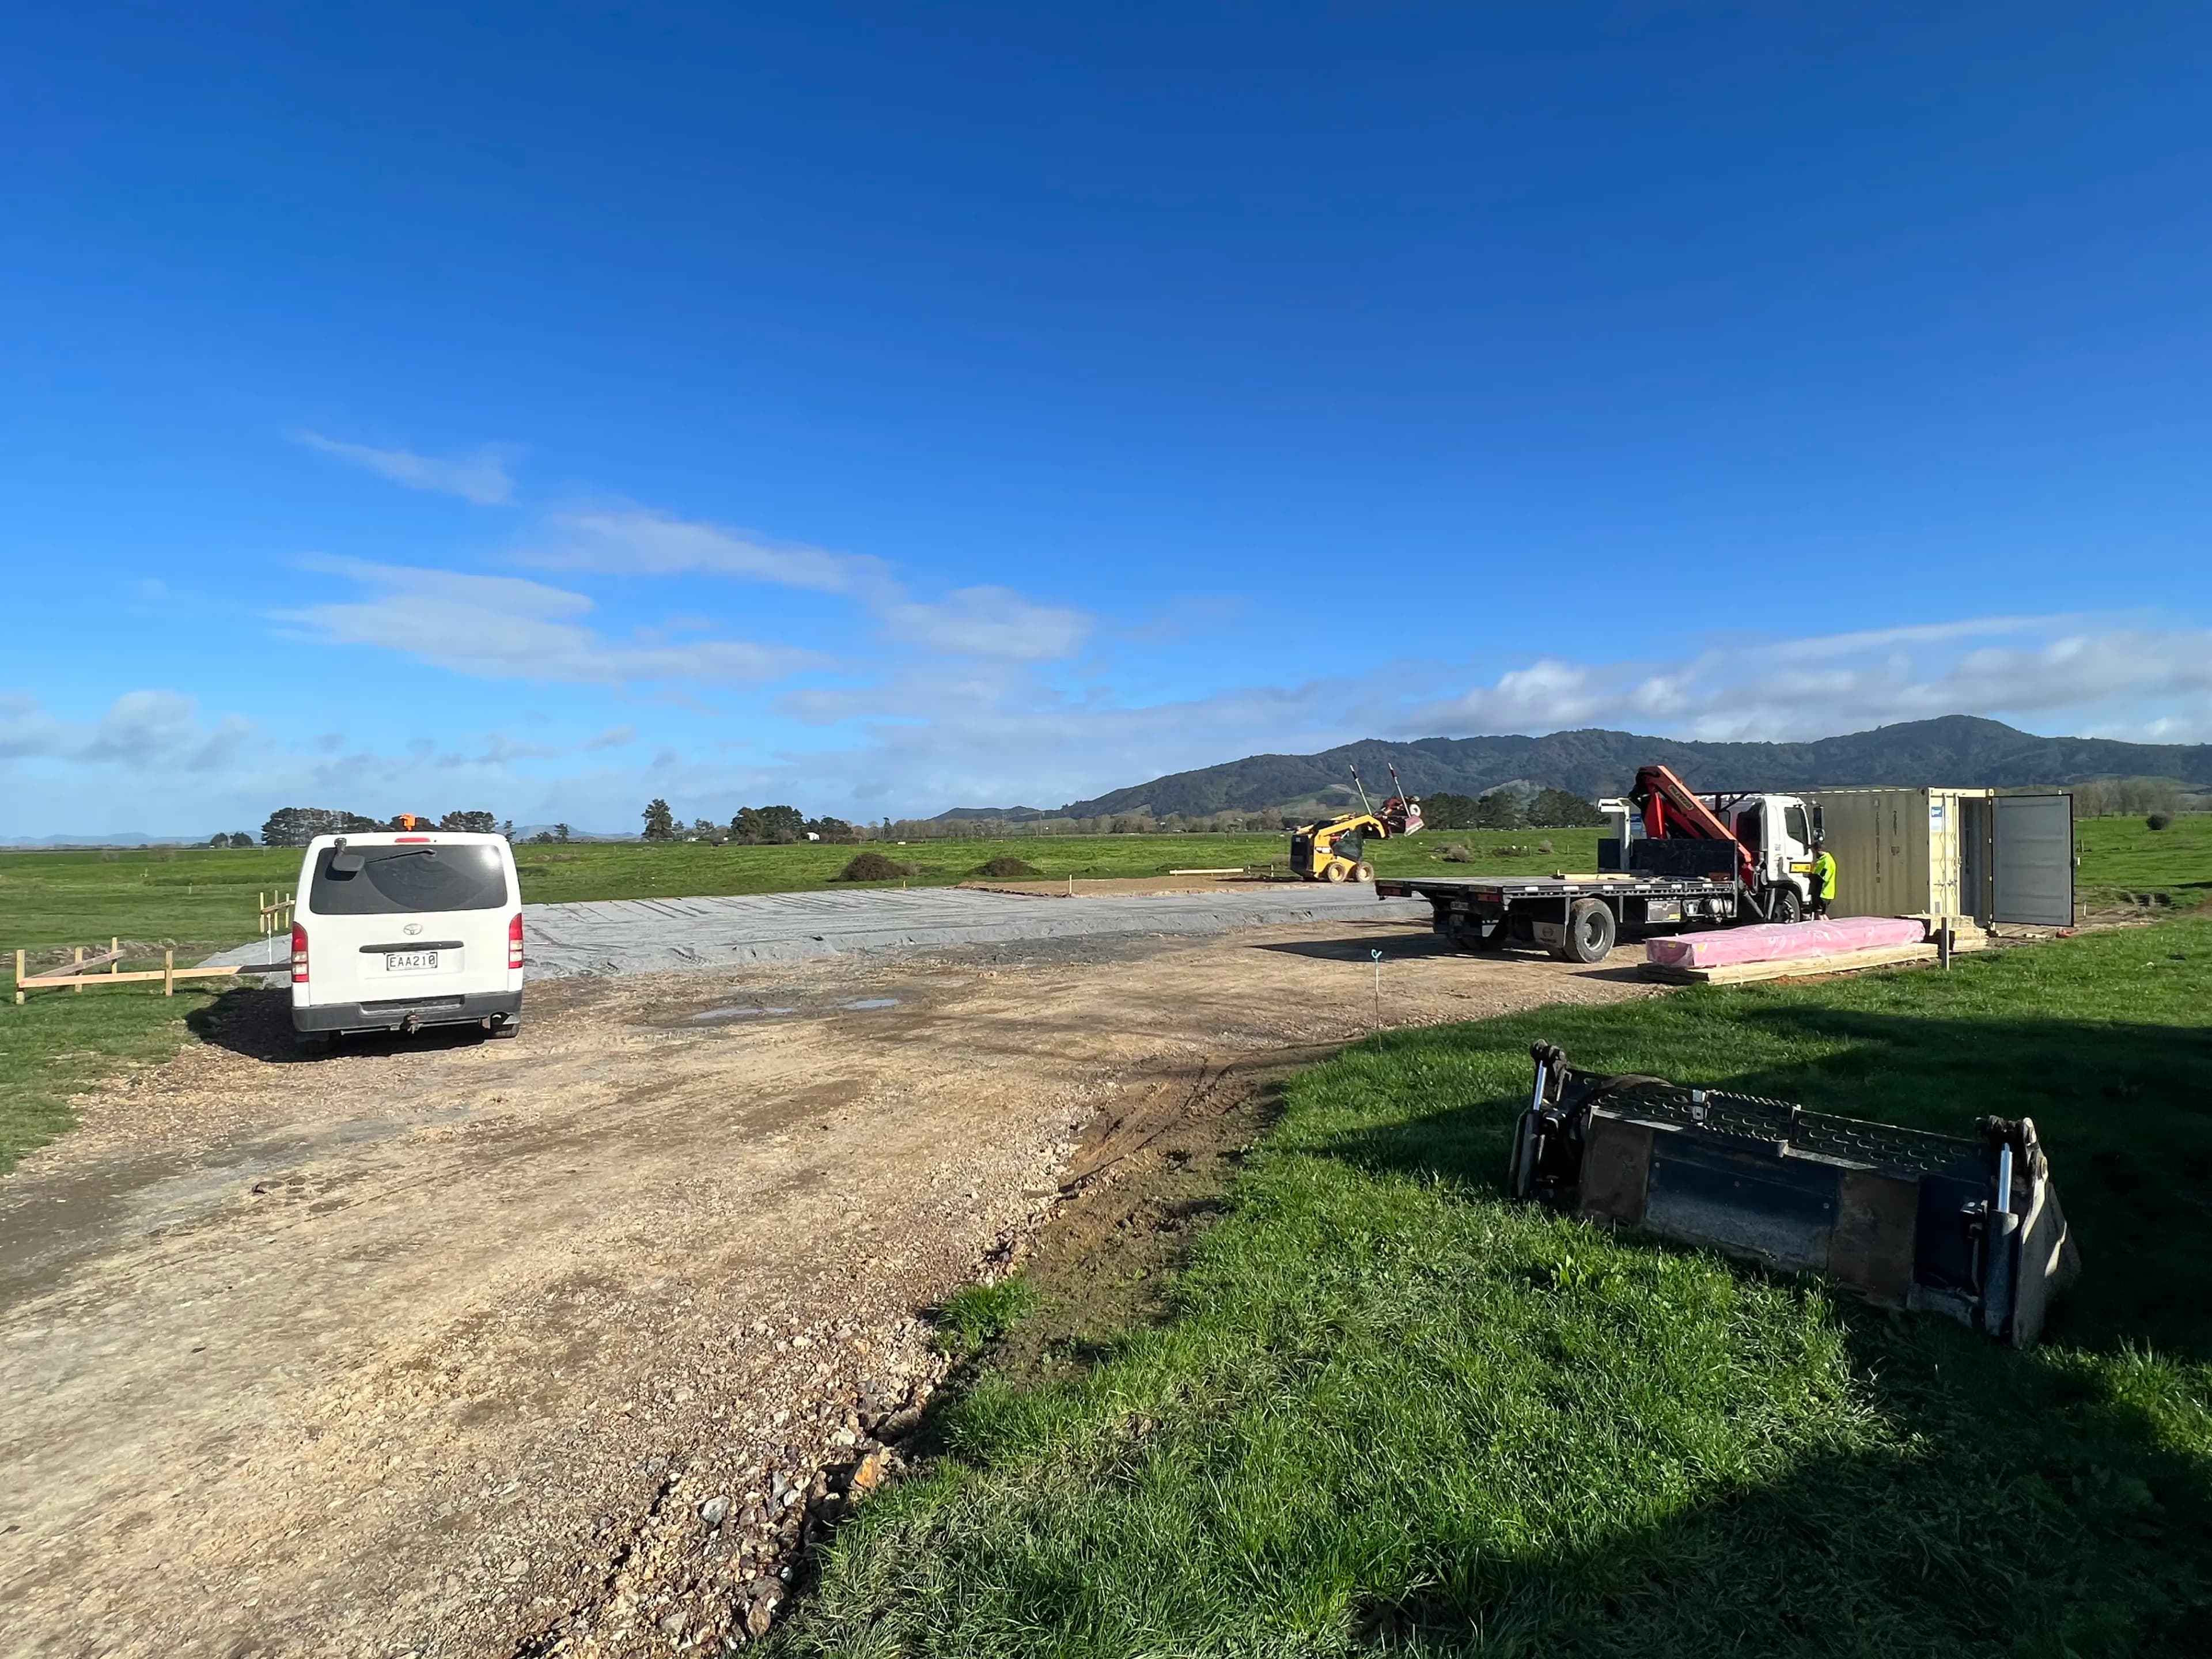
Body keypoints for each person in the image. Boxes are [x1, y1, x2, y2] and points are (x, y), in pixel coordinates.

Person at [1807, 839, 1836, 920]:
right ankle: (1829, 927)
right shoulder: (1828, 859)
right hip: (1827, 893)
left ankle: (1822, 928)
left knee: (1819, 914)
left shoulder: (1825, 862)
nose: (1814, 854)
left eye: (1814, 852)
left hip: (1822, 893)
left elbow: (1822, 877)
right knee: (1823, 914)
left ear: (1818, 851)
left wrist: (1811, 876)